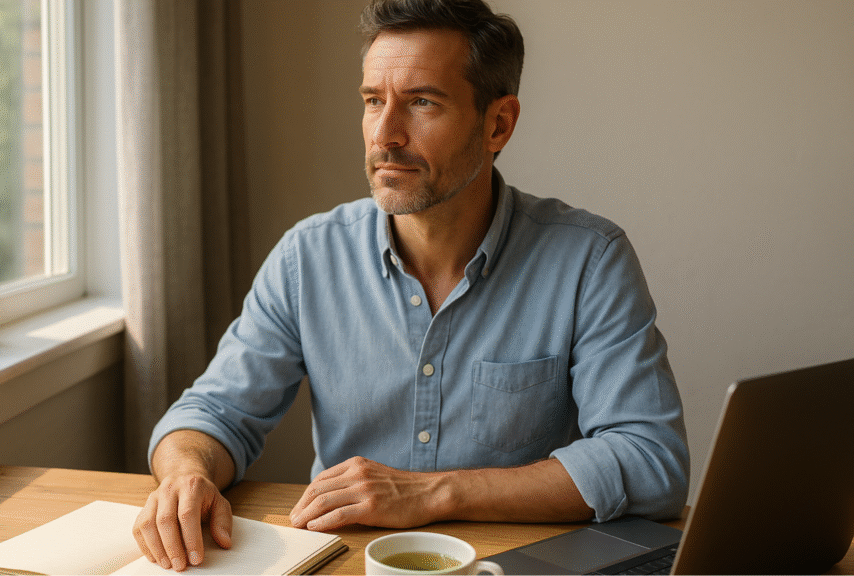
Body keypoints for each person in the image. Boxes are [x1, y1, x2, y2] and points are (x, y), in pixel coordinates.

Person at [132, 0, 689, 571]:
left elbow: (651, 461)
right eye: (373, 101)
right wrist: (187, 475)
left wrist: (434, 492)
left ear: (498, 123)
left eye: (422, 102)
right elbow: (213, 413)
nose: (386, 134)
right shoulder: (309, 257)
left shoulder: (589, 261)